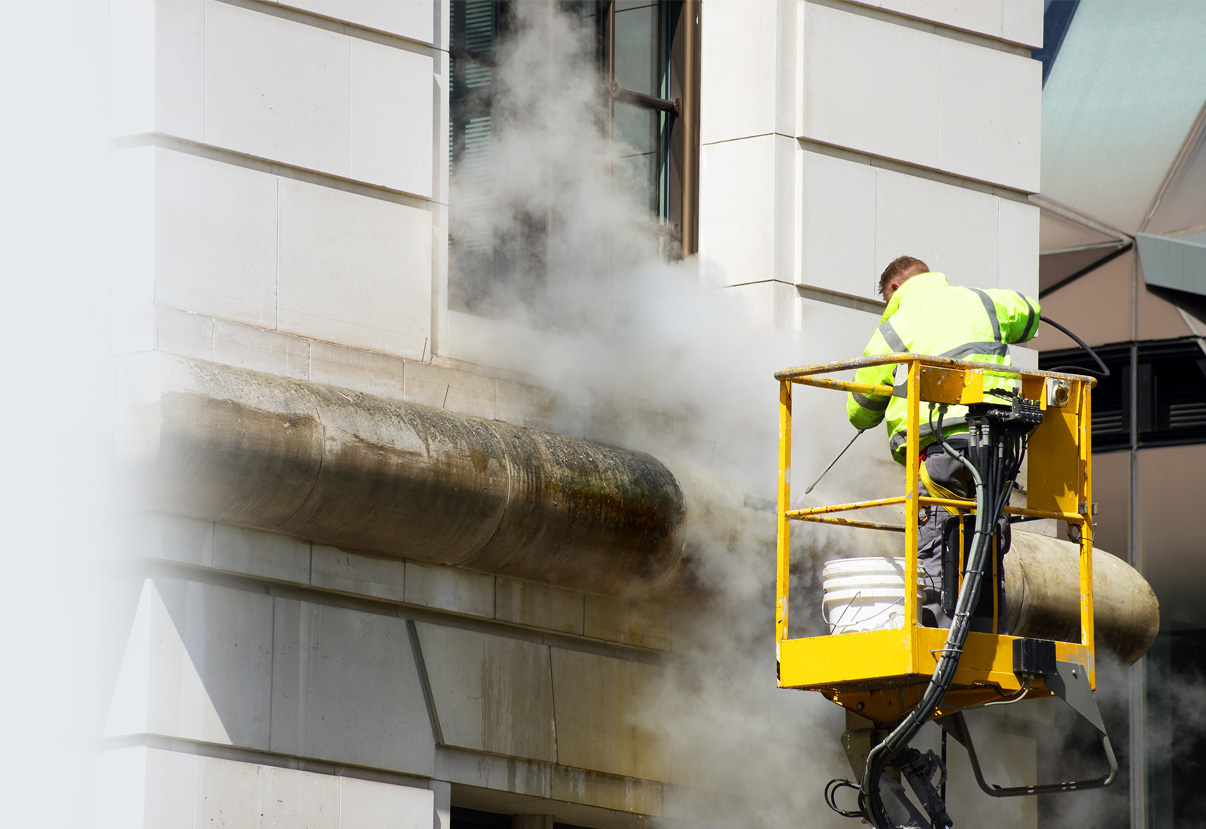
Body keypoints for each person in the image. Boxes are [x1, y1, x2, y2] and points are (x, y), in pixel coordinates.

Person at [846, 256, 1041, 628]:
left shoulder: (895, 326)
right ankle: (986, 628)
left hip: (940, 447)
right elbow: (1030, 313)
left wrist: (868, 415)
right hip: (997, 443)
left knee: (938, 535)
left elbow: (862, 407)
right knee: (987, 533)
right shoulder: (983, 301)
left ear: (895, 289)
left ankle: (941, 633)